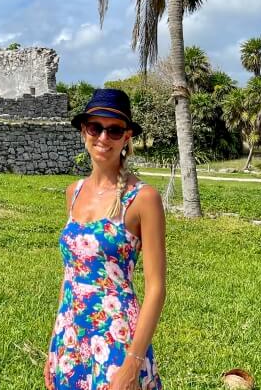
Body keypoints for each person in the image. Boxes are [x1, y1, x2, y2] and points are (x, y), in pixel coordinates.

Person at [45, 88, 165, 390]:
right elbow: (69, 273)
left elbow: (156, 288)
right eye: (95, 127)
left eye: (113, 130)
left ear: (126, 137)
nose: (102, 138)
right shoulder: (73, 192)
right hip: (70, 335)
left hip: (116, 339)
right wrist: (54, 343)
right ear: (84, 131)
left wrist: (131, 365)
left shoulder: (143, 198)